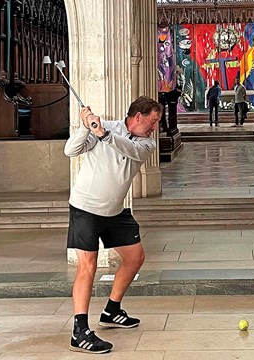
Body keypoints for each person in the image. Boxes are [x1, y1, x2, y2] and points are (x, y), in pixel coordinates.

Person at [63, 95, 163, 354]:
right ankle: (80, 331)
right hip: (86, 207)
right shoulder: (101, 127)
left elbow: (128, 150)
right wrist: (85, 127)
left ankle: (112, 310)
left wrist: (104, 135)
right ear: (137, 117)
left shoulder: (146, 143)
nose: (155, 127)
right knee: (88, 266)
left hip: (115, 210)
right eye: (152, 121)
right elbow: (70, 151)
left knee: (135, 257)